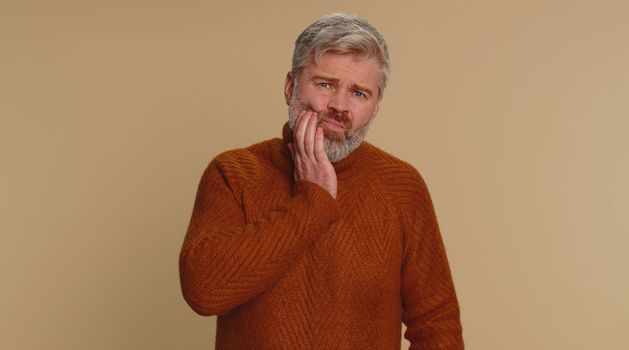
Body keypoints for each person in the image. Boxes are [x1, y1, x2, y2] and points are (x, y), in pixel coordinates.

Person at [179, 13, 464, 349]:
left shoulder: (402, 187)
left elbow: (437, 325)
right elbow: (204, 291)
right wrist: (313, 201)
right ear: (291, 87)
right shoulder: (234, 174)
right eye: (325, 84)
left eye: (359, 93)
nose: (339, 106)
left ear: (375, 107)